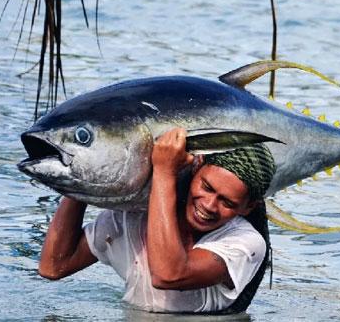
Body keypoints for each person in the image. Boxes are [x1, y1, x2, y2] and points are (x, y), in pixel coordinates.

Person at [38, 128, 276, 313]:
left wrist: (164, 170)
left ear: (249, 207)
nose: (209, 205)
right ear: (197, 167)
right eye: (206, 187)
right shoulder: (131, 219)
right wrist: (80, 179)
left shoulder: (247, 243)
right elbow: (53, 267)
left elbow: (169, 274)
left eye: (227, 202)